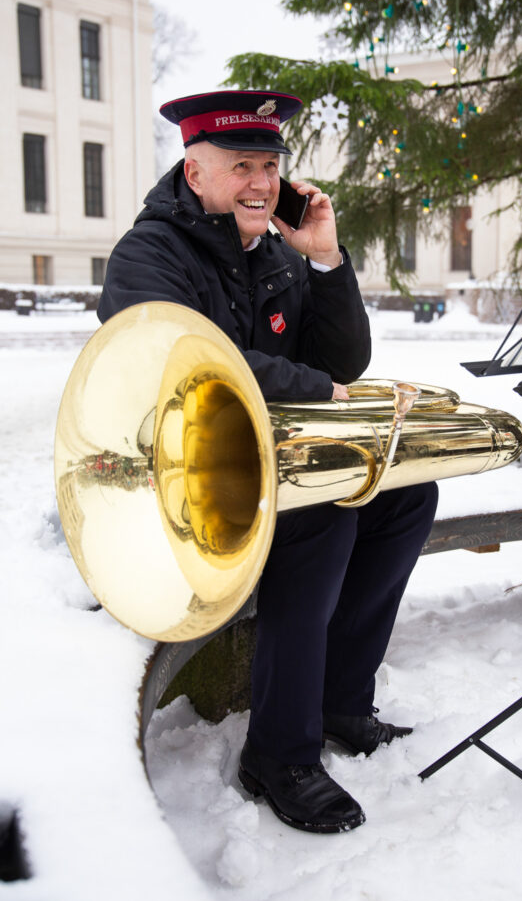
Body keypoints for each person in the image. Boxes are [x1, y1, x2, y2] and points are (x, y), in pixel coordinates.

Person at [98, 89, 439, 834]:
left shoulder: (278, 251)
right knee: (321, 517)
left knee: (404, 495)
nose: (260, 182)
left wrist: (325, 260)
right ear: (194, 173)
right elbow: (187, 364)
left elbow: (341, 357)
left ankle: (339, 703)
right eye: (241, 165)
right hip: (175, 480)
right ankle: (279, 755)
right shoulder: (148, 254)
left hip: (259, 463)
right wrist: (320, 389)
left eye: (270, 165)